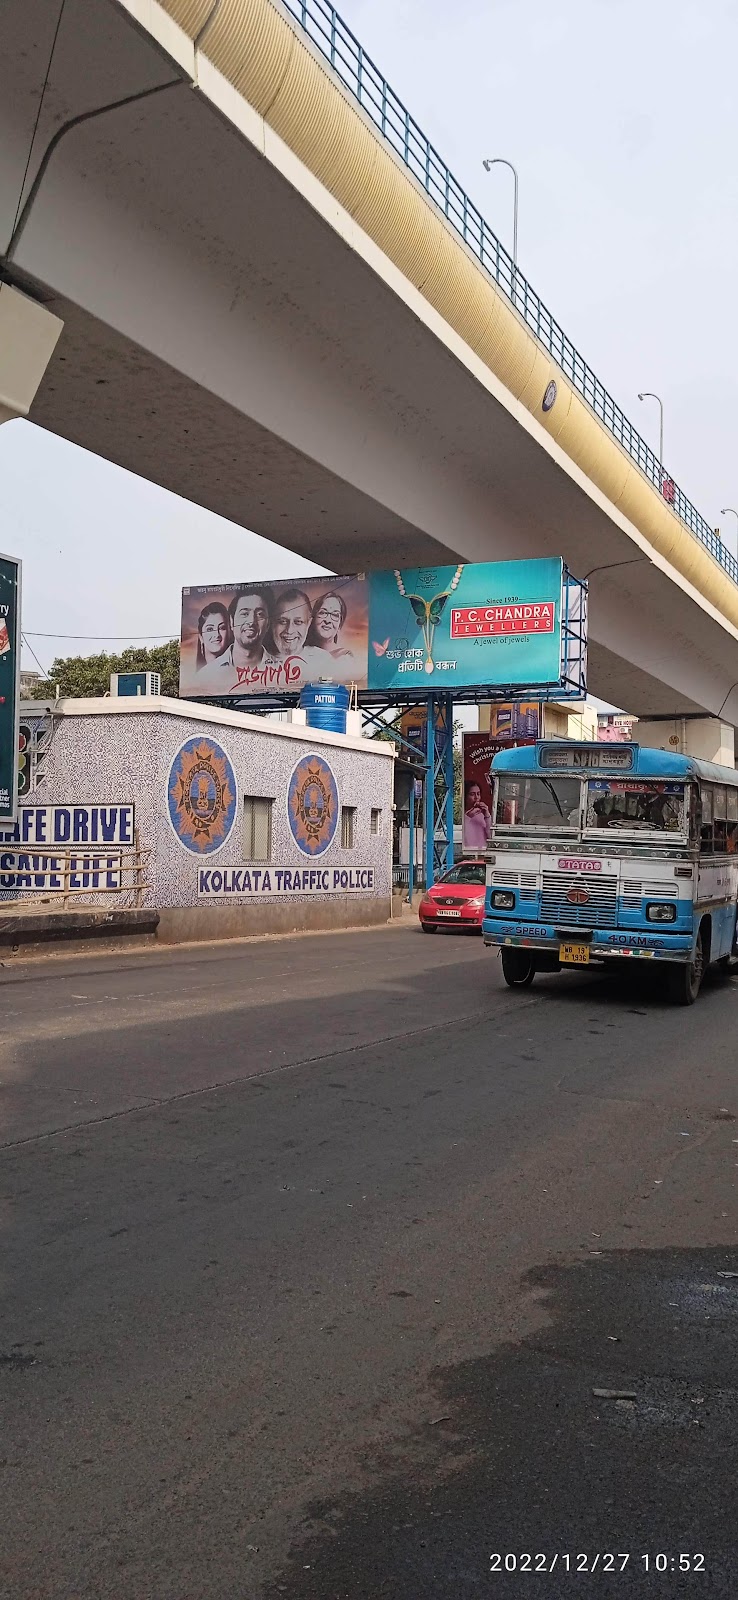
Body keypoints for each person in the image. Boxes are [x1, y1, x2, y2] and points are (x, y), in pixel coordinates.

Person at [227, 589, 272, 668]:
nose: (251, 622)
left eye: (260, 614)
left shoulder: (283, 670)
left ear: (268, 624)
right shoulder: (208, 672)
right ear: (231, 621)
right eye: (244, 614)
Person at [306, 590, 352, 657]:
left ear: (340, 624)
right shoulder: (302, 651)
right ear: (313, 617)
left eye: (335, 615)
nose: (328, 620)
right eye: (323, 613)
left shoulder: (344, 657)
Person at [195, 602, 231, 671]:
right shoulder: (197, 675)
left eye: (222, 628)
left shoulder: (236, 670)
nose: (217, 634)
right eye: (210, 629)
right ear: (201, 636)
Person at [464, 780, 492, 850]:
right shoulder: (463, 816)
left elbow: (490, 835)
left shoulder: (482, 815)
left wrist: (487, 816)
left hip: (482, 851)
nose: (476, 797)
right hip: (468, 851)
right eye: (472, 794)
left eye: (478, 794)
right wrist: (468, 817)